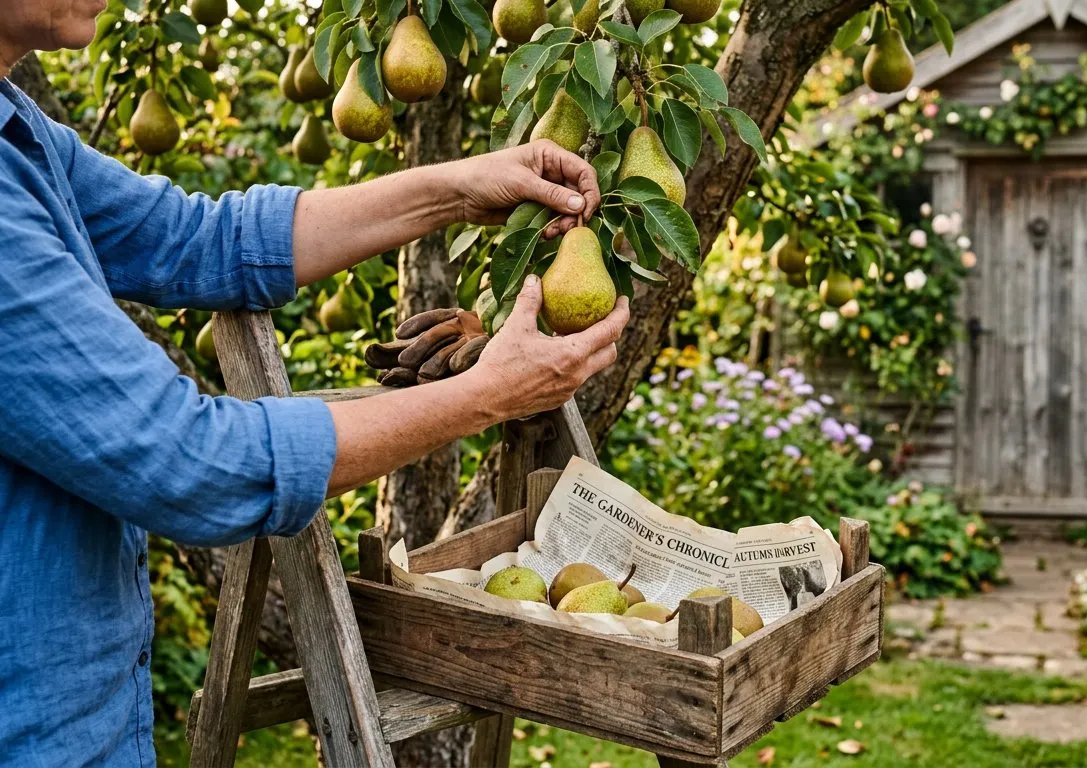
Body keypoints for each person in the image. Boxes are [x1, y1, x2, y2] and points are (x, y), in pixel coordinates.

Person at [0, 3, 631, 764]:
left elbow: (199, 240)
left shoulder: (19, 132)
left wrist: (457, 191)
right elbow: (192, 464)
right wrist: (484, 394)